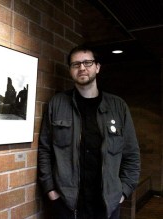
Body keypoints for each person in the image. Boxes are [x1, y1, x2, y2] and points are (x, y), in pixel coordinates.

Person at [38, 45, 140, 219]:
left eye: (87, 62)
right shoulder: (57, 104)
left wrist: (123, 192)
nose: (82, 68)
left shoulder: (118, 106)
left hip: (107, 205)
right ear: (70, 70)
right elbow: (45, 150)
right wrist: (50, 190)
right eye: (76, 64)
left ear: (97, 67)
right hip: (67, 205)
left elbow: (131, 154)